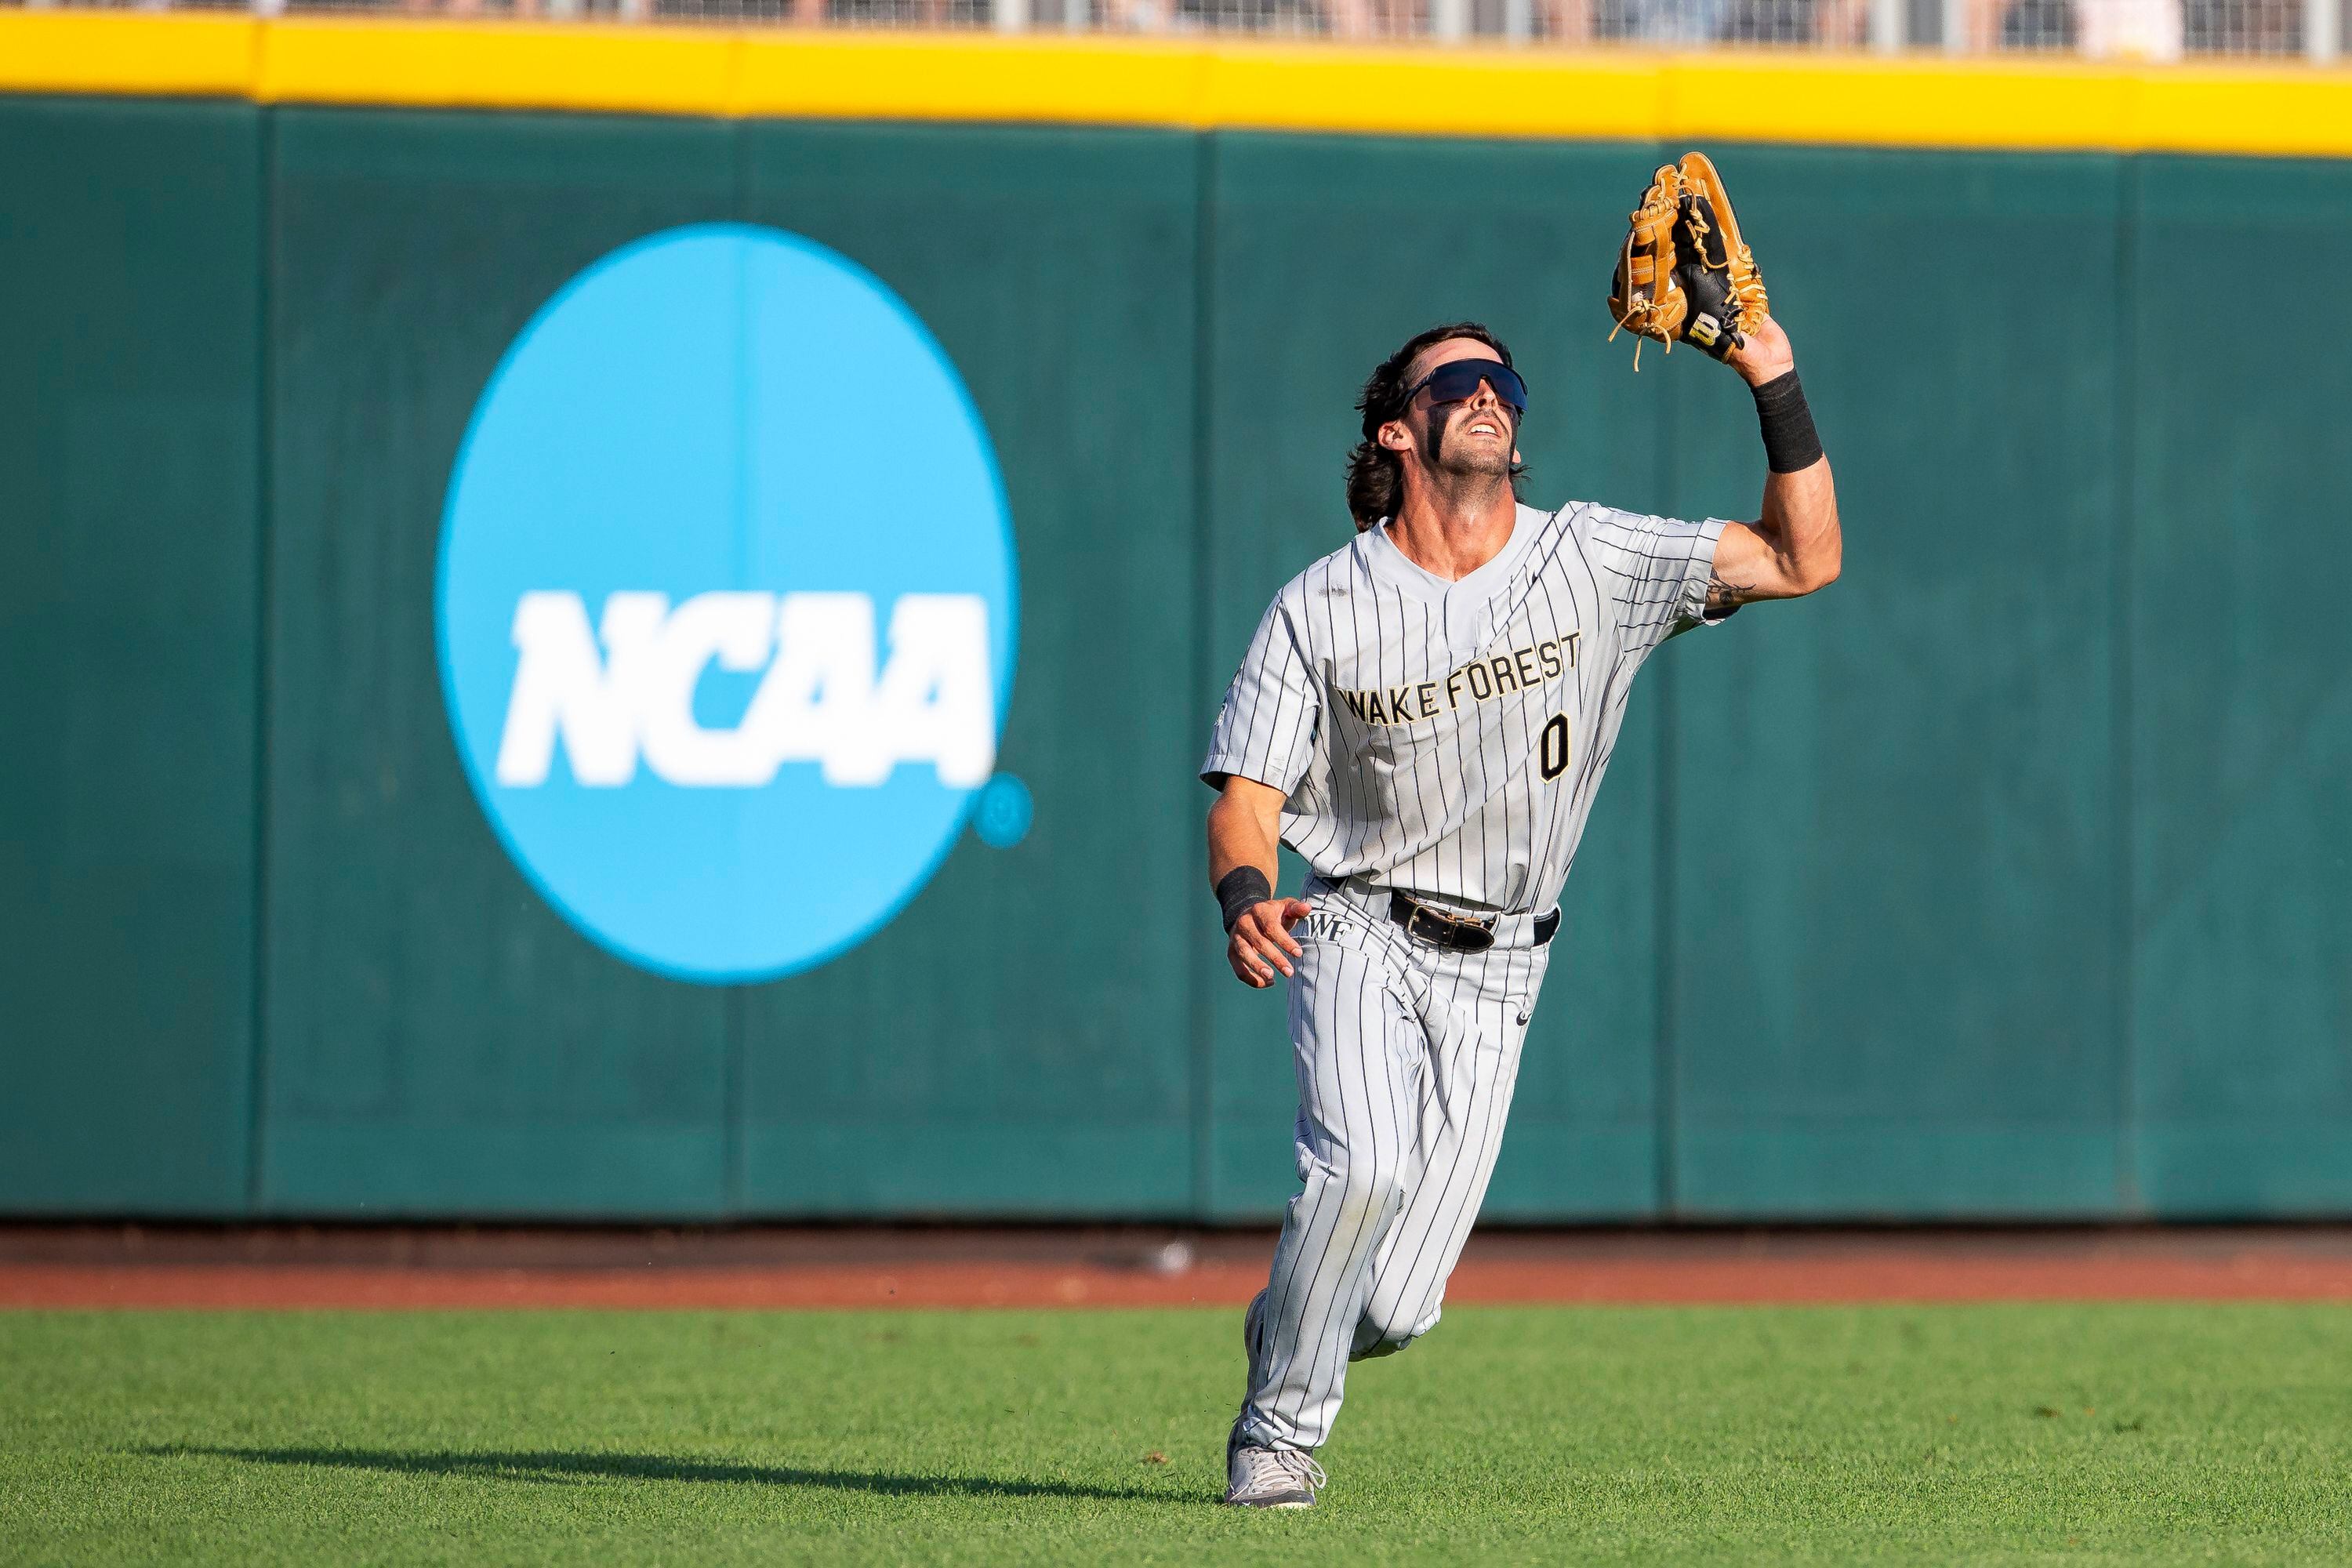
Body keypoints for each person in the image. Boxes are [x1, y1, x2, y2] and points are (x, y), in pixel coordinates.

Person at [1200, 316, 1841, 1508]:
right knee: (1362, 1169)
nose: (1493, 394)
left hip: (1503, 969)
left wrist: (1772, 375)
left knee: (1391, 1306)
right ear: (1397, 427)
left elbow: (1805, 561)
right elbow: (1246, 796)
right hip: (1357, 924)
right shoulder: (1322, 606)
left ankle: (1299, 1315)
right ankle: (1277, 1438)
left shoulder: (1590, 558)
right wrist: (1246, 890)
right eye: (1460, 380)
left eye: (1507, 380)